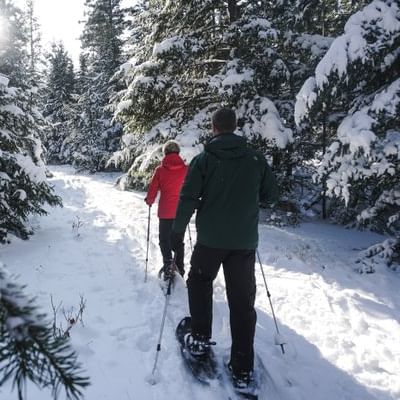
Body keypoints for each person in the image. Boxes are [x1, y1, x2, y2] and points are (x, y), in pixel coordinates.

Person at [171, 108, 278, 389]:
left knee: (200, 282)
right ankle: (242, 367)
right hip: (243, 243)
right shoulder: (256, 160)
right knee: (242, 302)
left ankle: (200, 340)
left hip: (210, 241)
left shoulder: (204, 160)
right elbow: (271, 195)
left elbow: (188, 197)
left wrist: (177, 231)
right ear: (234, 126)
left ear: (214, 127)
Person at [145, 140, 188, 276]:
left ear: (165, 153)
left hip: (165, 212)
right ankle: (180, 267)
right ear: (178, 152)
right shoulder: (186, 169)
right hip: (181, 212)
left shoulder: (160, 170)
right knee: (178, 241)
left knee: (164, 239)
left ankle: (168, 264)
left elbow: (153, 189)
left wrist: (149, 200)